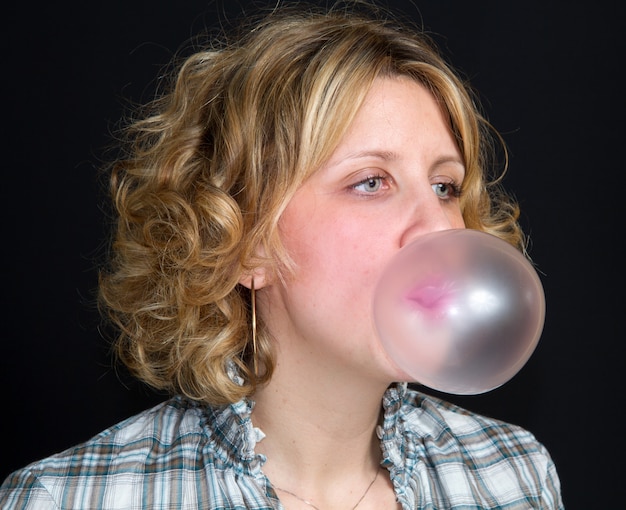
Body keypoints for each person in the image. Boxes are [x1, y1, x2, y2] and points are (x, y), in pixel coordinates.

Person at [0, 1, 563, 508]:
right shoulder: (73, 498)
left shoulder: (513, 475)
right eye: (371, 181)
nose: (437, 228)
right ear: (245, 242)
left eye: (445, 187)